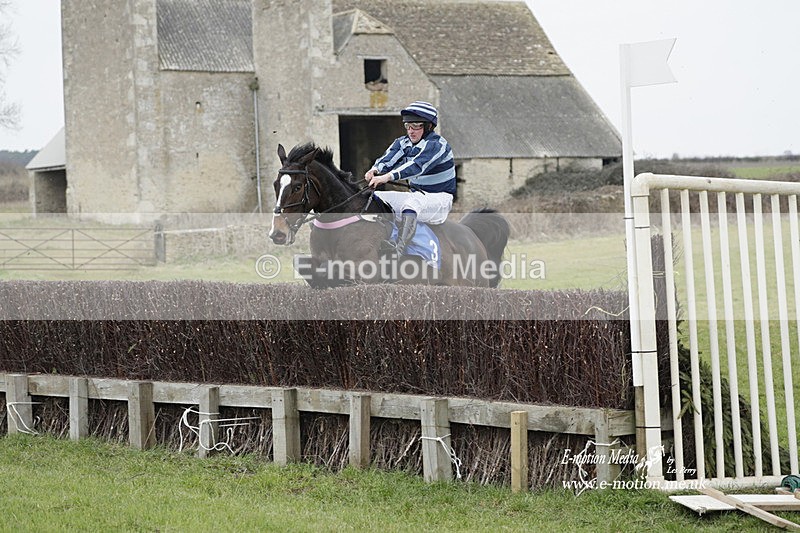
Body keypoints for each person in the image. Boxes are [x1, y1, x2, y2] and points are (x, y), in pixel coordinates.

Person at [365, 101, 456, 255]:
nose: (411, 131)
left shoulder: (437, 145)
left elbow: (416, 166)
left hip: (440, 200)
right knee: (373, 197)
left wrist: (387, 177)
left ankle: (398, 248)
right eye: (407, 126)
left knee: (413, 202)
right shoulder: (403, 143)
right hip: (417, 196)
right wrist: (375, 170)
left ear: (429, 127)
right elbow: (389, 158)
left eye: (416, 126)